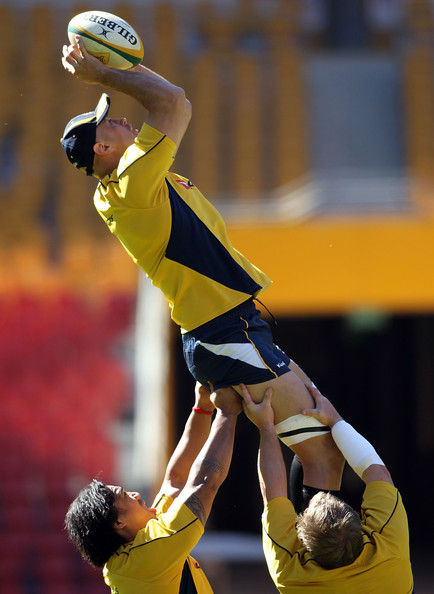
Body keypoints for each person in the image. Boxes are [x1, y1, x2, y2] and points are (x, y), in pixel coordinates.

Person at [60, 38, 344, 492]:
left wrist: (127, 64)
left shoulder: (126, 181)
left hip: (228, 327)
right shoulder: (133, 180)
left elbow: (179, 101)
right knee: (324, 454)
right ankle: (312, 539)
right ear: (102, 148)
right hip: (223, 332)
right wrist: (105, 74)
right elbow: (172, 102)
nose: (120, 117)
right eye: (107, 121)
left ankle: (307, 533)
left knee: (320, 441)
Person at [65, 382, 242, 592]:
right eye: (124, 495)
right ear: (118, 522)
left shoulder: (136, 551)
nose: (135, 494)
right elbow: (206, 482)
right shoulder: (147, 557)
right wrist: (228, 412)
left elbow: (175, 479)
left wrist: (202, 406)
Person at [240, 382, 414, 593]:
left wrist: (335, 420)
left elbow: (377, 473)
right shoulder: (290, 577)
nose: (320, 496)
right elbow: (272, 494)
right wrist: (265, 424)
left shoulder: (393, 554)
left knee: (321, 461)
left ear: (303, 542)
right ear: (360, 526)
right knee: (326, 460)